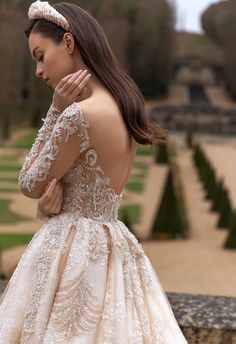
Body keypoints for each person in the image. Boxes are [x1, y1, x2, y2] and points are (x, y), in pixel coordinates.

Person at [0, 1, 188, 343]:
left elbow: (29, 182)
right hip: (113, 244)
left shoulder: (77, 116)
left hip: (71, 251)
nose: (39, 71)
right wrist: (49, 207)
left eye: (41, 56)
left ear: (69, 44)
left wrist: (55, 111)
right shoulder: (126, 107)